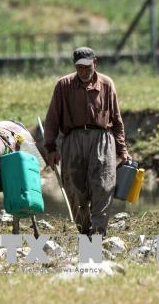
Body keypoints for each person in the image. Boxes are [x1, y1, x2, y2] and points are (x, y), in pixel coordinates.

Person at [44, 47, 130, 237]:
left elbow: (116, 119)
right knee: (74, 188)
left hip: (102, 139)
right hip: (73, 139)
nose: (83, 71)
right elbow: (52, 119)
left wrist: (122, 150)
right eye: (79, 68)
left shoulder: (106, 84)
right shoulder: (63, 85)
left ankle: (98, 232)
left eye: (87, 67)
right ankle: (84, 229)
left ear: (95, 63)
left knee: (103, 185)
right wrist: (51, 147)